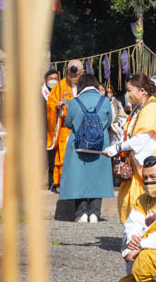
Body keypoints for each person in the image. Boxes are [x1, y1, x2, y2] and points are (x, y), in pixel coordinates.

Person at [103, 73, 156, 222]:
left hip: (146, 166)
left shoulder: (151, 108)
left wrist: (117, 148)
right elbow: (132, 132)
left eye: (129, 90)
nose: (127, 94)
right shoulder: (139, 108)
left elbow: (142, 139)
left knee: (143, 204)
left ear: (142, 91)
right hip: (135, 164)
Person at [59, 73, 114, 222]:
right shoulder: (105, 101)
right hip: (100, 144)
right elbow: (109, 122)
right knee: (98, 178)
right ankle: (95, 213)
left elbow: (68, 123)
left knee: (79, 178)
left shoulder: (75, 102)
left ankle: (81, 213)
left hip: (79, 143)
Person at [111, 155, 156, 282]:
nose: (149, 182)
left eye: (154, 177)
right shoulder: (143, 200)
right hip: (144, 253)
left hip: (151, 252)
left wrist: (141, 245)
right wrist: (131, 241)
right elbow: (132, 224)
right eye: (145, 178)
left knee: (144, 261)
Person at [46, 59, 83, 189]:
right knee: (64, 156)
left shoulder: (86, 85)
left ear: (82, 72)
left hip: (82, 128)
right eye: (71, 73)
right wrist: (56, 107)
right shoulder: (60, 86)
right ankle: (63, 183)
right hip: (65, 128)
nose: (73, 77)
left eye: (76, 74)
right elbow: (50, 103)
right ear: (67, 71)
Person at [42, 68, 59, 189]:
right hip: (43, 130)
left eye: (55, 79)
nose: (53, 81)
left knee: (54, 158)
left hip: (57, 129)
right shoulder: (40, 94)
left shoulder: (61, 92)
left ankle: (53, 182)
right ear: (46, 80)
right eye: (51, 79)